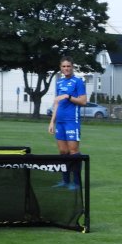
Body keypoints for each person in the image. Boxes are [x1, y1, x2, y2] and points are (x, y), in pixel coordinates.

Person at [47, 57, 88, 189]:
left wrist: (68, 96)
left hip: (72, 121)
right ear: (60, 68)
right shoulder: (59, 82)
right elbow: (56, 103)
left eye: (68, 66)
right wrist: (52, 122)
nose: (66, 68)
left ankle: (76, 183)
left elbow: (83, 101)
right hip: (60, 122)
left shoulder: (78, 82)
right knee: (63, 152)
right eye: (64, 66)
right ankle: (65, 181)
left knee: (73, 151)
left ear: (72, 67)